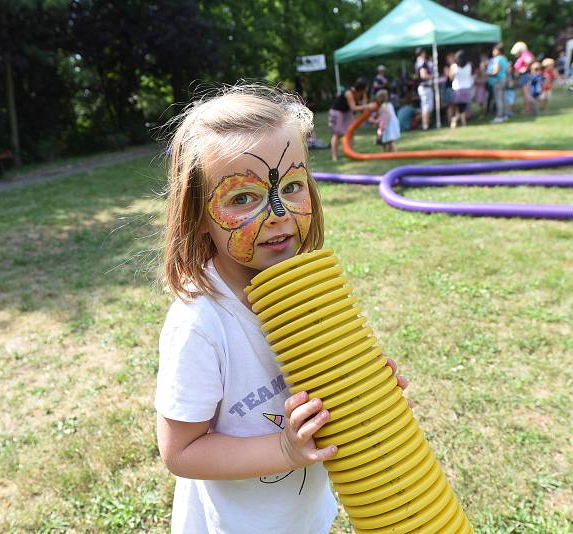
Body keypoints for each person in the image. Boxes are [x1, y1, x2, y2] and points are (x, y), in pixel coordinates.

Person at [155, 85, 413, 534]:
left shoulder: (308, 294)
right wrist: (285, 450)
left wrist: (365, 389)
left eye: (291, 186)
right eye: (242, 198)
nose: (277, 212)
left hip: (304, 518)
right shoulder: (200, 322)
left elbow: (327, 393)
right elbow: (180, 451)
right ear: (197, 214)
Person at [327, 78, 372, 161]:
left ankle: (351, 154)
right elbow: (354, 108)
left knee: (350, 132)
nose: (367, 88)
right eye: (366, 87)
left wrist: (367, 109)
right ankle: (334, 157)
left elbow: (363, 107)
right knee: (337, 134)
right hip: (337, 111)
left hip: (347, 112)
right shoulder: (349, 93)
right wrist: (367, 106)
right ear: (362, 87)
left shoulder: (362, 93)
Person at [449, 50, 473, 128]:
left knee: (459, 108)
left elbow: (451, 77)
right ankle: (462, 122)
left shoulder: (454, 66)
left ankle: (456, 121)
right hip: (467, 88)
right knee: (462, 108)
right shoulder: (469, 65)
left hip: (457, 88)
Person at [486, 43, 509, 123]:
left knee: (498, 99)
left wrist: (487, 73)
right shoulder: (504, 58)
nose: (493, 52)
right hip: (503, 80)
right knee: (502, 98)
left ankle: (500, 116)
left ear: (498, 51)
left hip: (498, 81)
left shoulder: (497, 59)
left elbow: (495, 71)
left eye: (494, 50)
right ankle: (504, 115)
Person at [511, 41, 535, 114]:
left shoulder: (525, 54)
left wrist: (524, 68)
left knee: (526, 94)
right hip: (524, 76)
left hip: (524, 76)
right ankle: (528, 109)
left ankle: (529, 108)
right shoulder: (524, 55)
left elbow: (529, 61)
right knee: (527, 94)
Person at [415, 48, 435, 130]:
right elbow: (423, 75)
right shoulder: (422, 63)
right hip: (425, 87)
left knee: (426, 106)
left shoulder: (418, 62)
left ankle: (425, 124)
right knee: (426, 107)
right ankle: (425, 125)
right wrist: (432, 76)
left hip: (424, 87)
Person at [473, 53, 489, 119]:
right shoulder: (480, 71)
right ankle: (483, 114)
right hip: (480, 89)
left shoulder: (483, 72)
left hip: (481, 89)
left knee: (481, 102)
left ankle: (483, 114)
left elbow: (483, 81)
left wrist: (476, 81)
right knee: (481, 103)